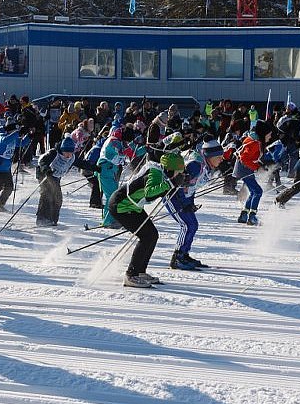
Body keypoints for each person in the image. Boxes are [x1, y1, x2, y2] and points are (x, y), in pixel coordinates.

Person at [109, 152, 185, 288]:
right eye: (178, 172)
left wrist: (181, 198)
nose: (179, 175)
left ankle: (140, 272)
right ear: (170, 169)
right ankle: (131, 275)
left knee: (153, 235)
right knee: (146, 236)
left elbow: (162, 191)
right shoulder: (156, 173)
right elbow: (150, 193)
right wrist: (171, 183)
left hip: (131, 206)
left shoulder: (161, 173)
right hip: (121, 205)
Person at [165, 139, 224, 270]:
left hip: (183, 198)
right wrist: (184, 204)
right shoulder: (196, 165)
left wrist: (190, 204)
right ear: (210, 156)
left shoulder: (204, 166)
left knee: (193, 224)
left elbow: (191, 187)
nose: (222, 160)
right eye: (219, 157)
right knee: (187, 225)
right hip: (172, 195)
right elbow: (179, 184)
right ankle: (177, 258)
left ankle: (184, 254)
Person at [34, 137, 99, 227]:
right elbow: (42, 162)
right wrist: (46, 169)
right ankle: (42, 219)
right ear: (62, 150)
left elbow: (83, 164)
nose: (68, 155)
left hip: (56, 176)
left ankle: (53, 219)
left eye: (70, 152)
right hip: (44, 174)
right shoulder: (54, 153)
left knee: (57, 198)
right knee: (47, 194)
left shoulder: (72, 158)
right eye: (66, 152)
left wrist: (96, 168)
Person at [233, 120, 277, 226]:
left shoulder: (253, 140)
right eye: (269, 135)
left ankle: (244, 215)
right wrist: (257, 168)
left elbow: (250, 157)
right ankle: (252, 217)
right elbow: (244, 158)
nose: (270, 137)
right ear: (263, 133)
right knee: (258, 191)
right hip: (244, 169)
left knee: (254, 192)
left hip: (244, 169)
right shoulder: (254, 143)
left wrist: (259, 165)